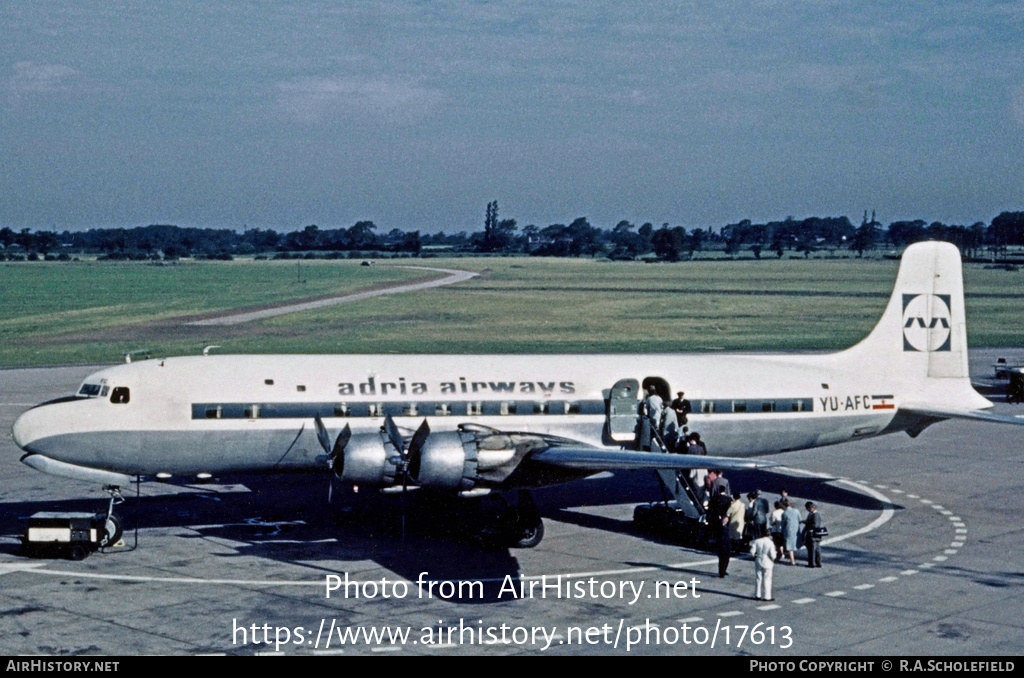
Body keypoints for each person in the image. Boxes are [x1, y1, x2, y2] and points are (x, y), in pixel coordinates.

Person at [709, 486, 734, 577]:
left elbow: (711, 510)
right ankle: (724, 570)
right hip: (726, 524)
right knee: (726, 554)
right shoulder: (728, 499)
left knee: (721, 553)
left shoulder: (715, 499)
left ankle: (721, 570)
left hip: (717, 522)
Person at [749, 525, 778, 600]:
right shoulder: (770, 542)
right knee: (767, 579)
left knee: (758, 578)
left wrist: (755, 556)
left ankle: (757, 595)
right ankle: (767, 596)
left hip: (759, 559)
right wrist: (773, 558)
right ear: (769, 535)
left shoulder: (757, 541)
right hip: (767, 561)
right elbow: (773, 555)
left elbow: (752, 552)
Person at [780, 498, 802, 565]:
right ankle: (793, 559)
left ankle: (792, 560)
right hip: (796, 528)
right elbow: (800, 520)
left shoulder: (785, 513)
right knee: (795, 543)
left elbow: (783, 523)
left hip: (788, 530)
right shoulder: (796, 511)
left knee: (789, 546)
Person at [804, 502, 824, 568]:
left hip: (813, 535)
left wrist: (807, 524)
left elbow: (815, 525)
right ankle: (818, 563)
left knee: (812, 550)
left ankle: (812, 563)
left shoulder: (815, 515)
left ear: (812, 508)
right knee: (817, 549)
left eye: (808, 508)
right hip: (815, 535)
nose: (807, 510)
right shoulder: (812, 514)